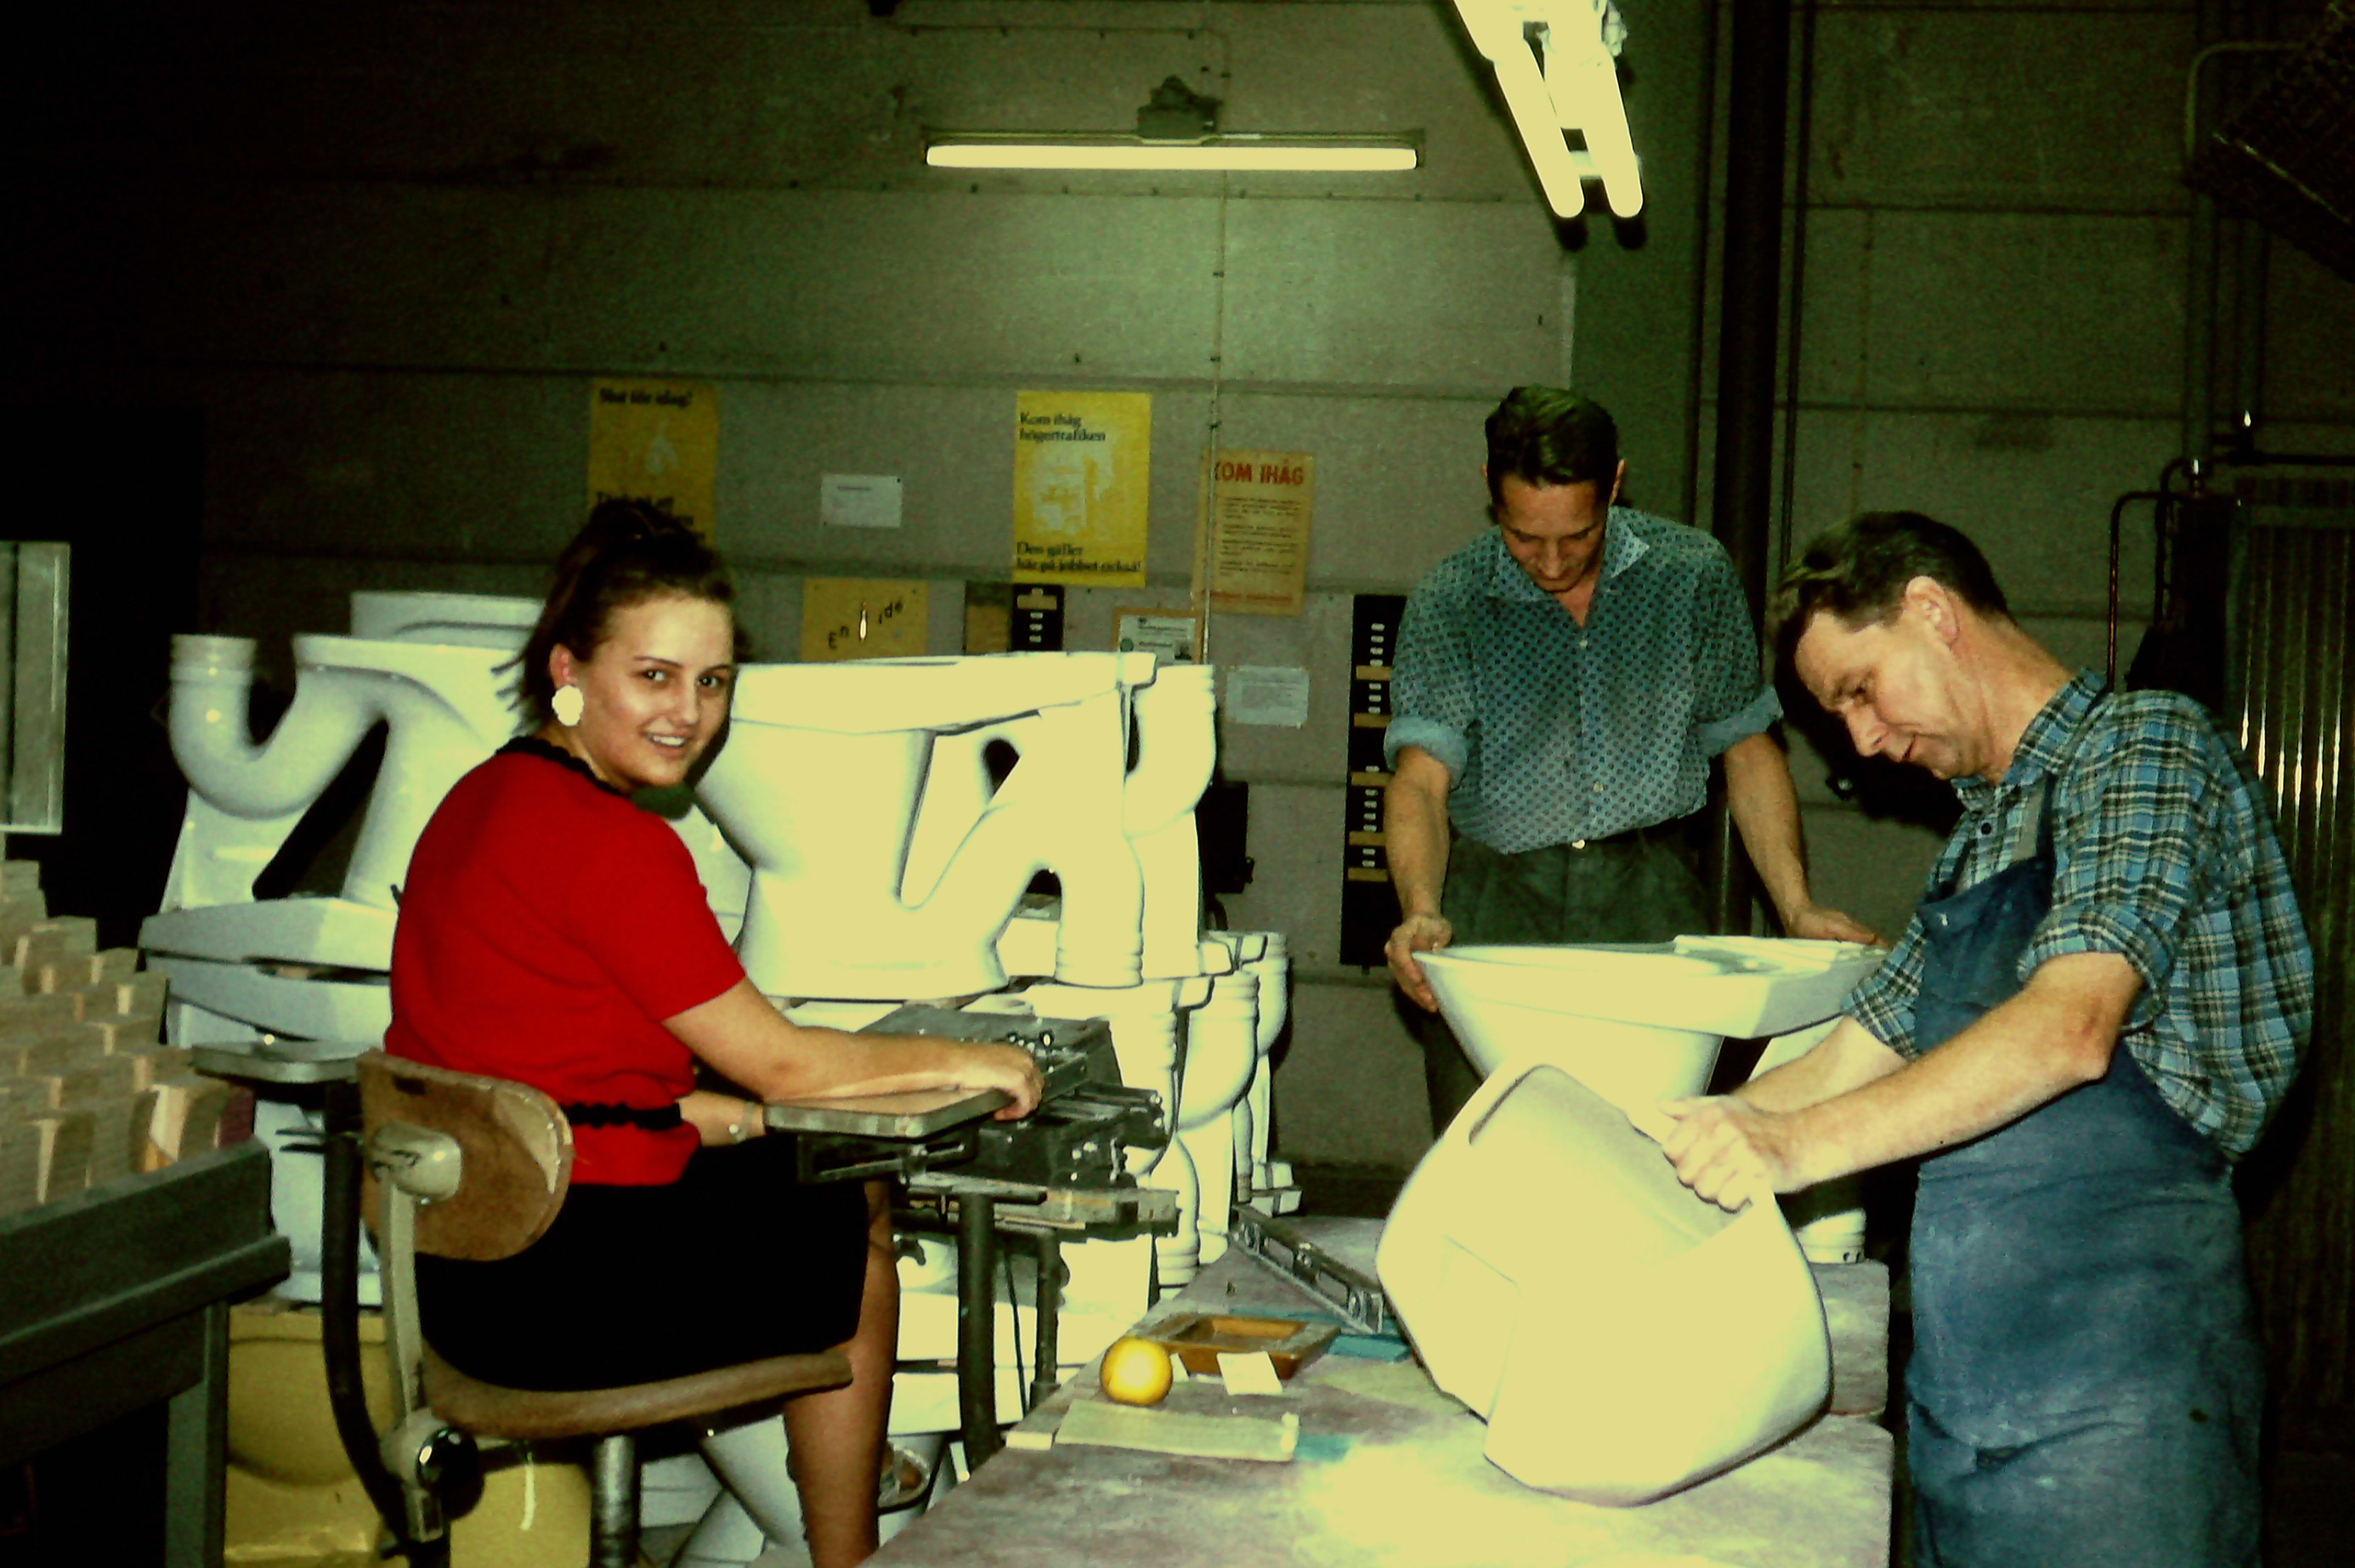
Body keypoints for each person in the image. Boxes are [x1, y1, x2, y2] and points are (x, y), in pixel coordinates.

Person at [386, 500, 1043, 1568]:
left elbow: (517, 1049)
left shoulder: (482, 800)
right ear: (570, 669)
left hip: (457, 1271)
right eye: (654, 676)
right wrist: (970, 1056)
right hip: (558, 1293)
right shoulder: (615, 846)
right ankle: (845, 1553)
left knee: (788, 1163)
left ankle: (833, 1489)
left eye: (713, 681)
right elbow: (780, 1060)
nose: (688, 713)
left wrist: (701, 1109)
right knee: (850, 1202)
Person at [1656, 512, 2313, 1567]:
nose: (1864, 743)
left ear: (1930, 609)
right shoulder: (1981, 834)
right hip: (1967, 1402)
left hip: (2124, 1409)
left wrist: (1791, 1151)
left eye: (1861, 692)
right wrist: (1658, 1142)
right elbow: (1851, 1052)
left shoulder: (2145, 748)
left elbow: (2070, 1029)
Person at [1383, 385, 1875, 1134]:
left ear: (1614, 483)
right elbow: (1420, 780)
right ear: (1489, 487)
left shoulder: (1692, 575)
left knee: (1652, 1144)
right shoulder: (1450, 599)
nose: (1550, 561)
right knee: (1492, 1146)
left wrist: (1796, 907)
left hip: (1651, 898)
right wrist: (1421, 910)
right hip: (1496, 906)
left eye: (1576, 535)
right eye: (1524, 537)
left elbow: (1747, 749)